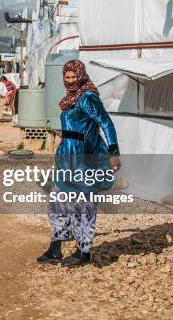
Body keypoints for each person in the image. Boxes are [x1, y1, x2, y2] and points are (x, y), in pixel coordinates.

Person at [37, 60, 121, 267]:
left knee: (83, 206)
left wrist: (114, 153)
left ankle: (83, 252)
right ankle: (56, 248)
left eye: (74, 77)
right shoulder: (70, 99)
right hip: (67, 157)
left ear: (81, 76)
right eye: (67, 77)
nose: (71, 81)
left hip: (85, 159)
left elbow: (106, 124)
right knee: (57, 204)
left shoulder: (88, 97)